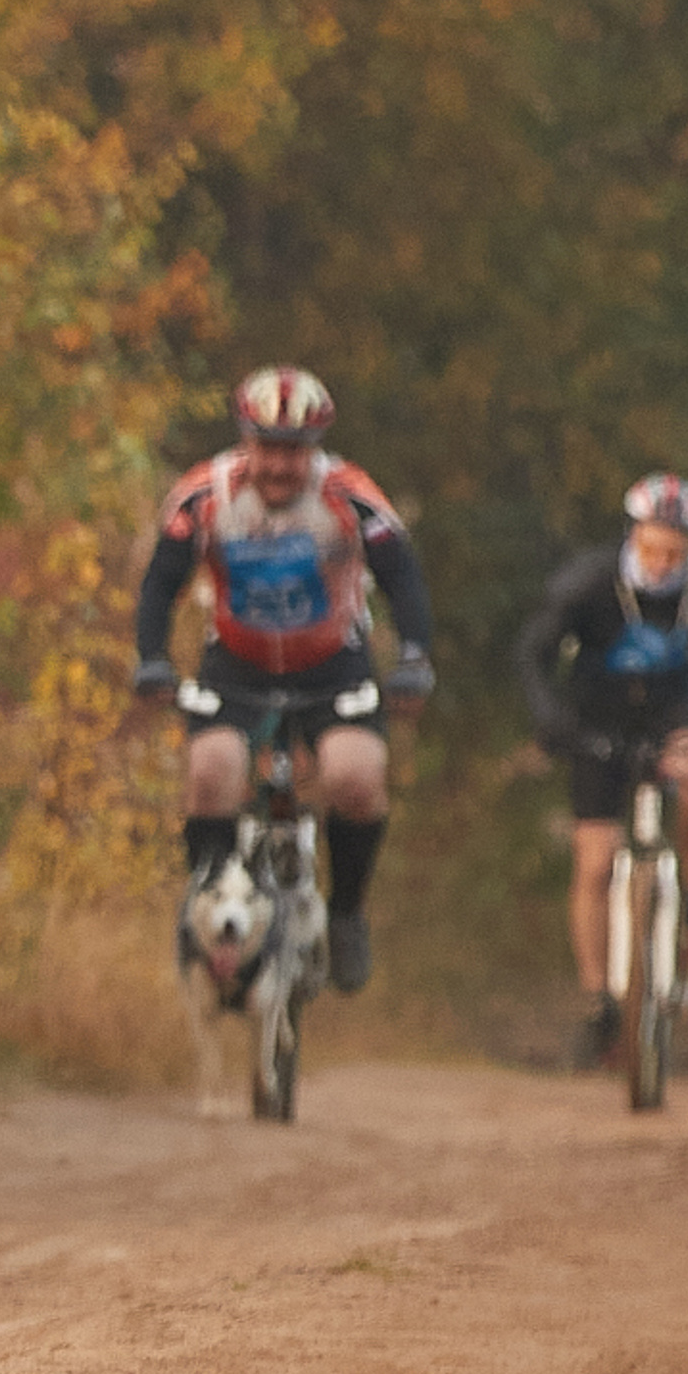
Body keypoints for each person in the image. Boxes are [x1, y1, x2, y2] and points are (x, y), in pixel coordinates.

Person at [132, 366, 435, 994]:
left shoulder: (349, 495)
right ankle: (208, 908)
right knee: (211, 771)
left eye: (294, 452)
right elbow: (160, 583)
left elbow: (402, 578)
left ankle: (346, 912)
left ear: (315, 449)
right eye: (266, 448)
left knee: (355, 777)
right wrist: (152, 657)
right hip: (236, 665)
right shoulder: (205, 495)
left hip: (332, 665)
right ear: (245, 442)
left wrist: (413, 656)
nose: (278, 466)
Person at [515, 473, 688, 1068]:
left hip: (675, 715)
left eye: (675, 553)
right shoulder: (589, 583)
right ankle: (599, 999)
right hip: (595, 720)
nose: (662, 563)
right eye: (652, 549)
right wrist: (551, 720)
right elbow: (533, 653)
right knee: (595, 861)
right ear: (632, 536)